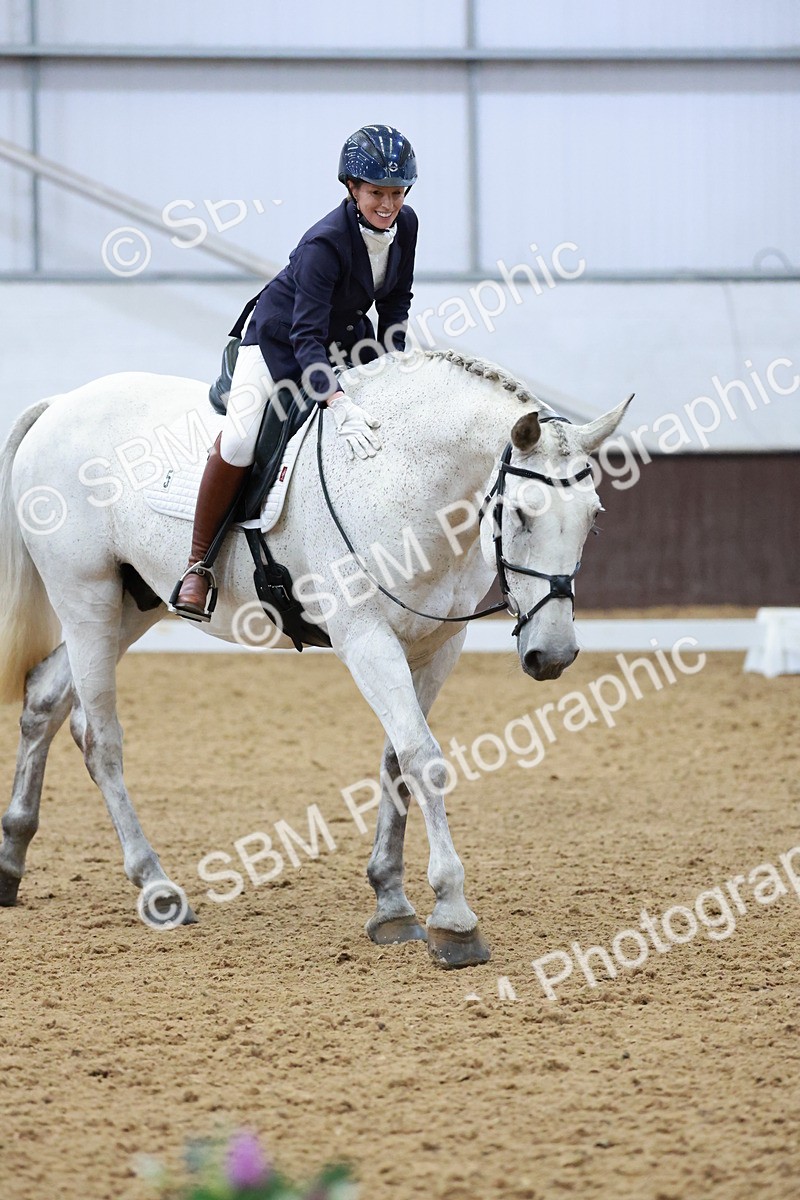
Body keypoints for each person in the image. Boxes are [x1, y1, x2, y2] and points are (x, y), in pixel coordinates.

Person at [172, 123, 419, 619]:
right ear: (352, 187)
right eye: (376, 193)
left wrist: (393, 366)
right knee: (242, 440)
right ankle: (198, 566)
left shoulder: (407, 225)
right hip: (276, 344)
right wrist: (337, 400)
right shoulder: (322, 245)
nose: (387, 204)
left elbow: (394, 303)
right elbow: (304, 337)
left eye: (396, 193)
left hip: (345, 339)